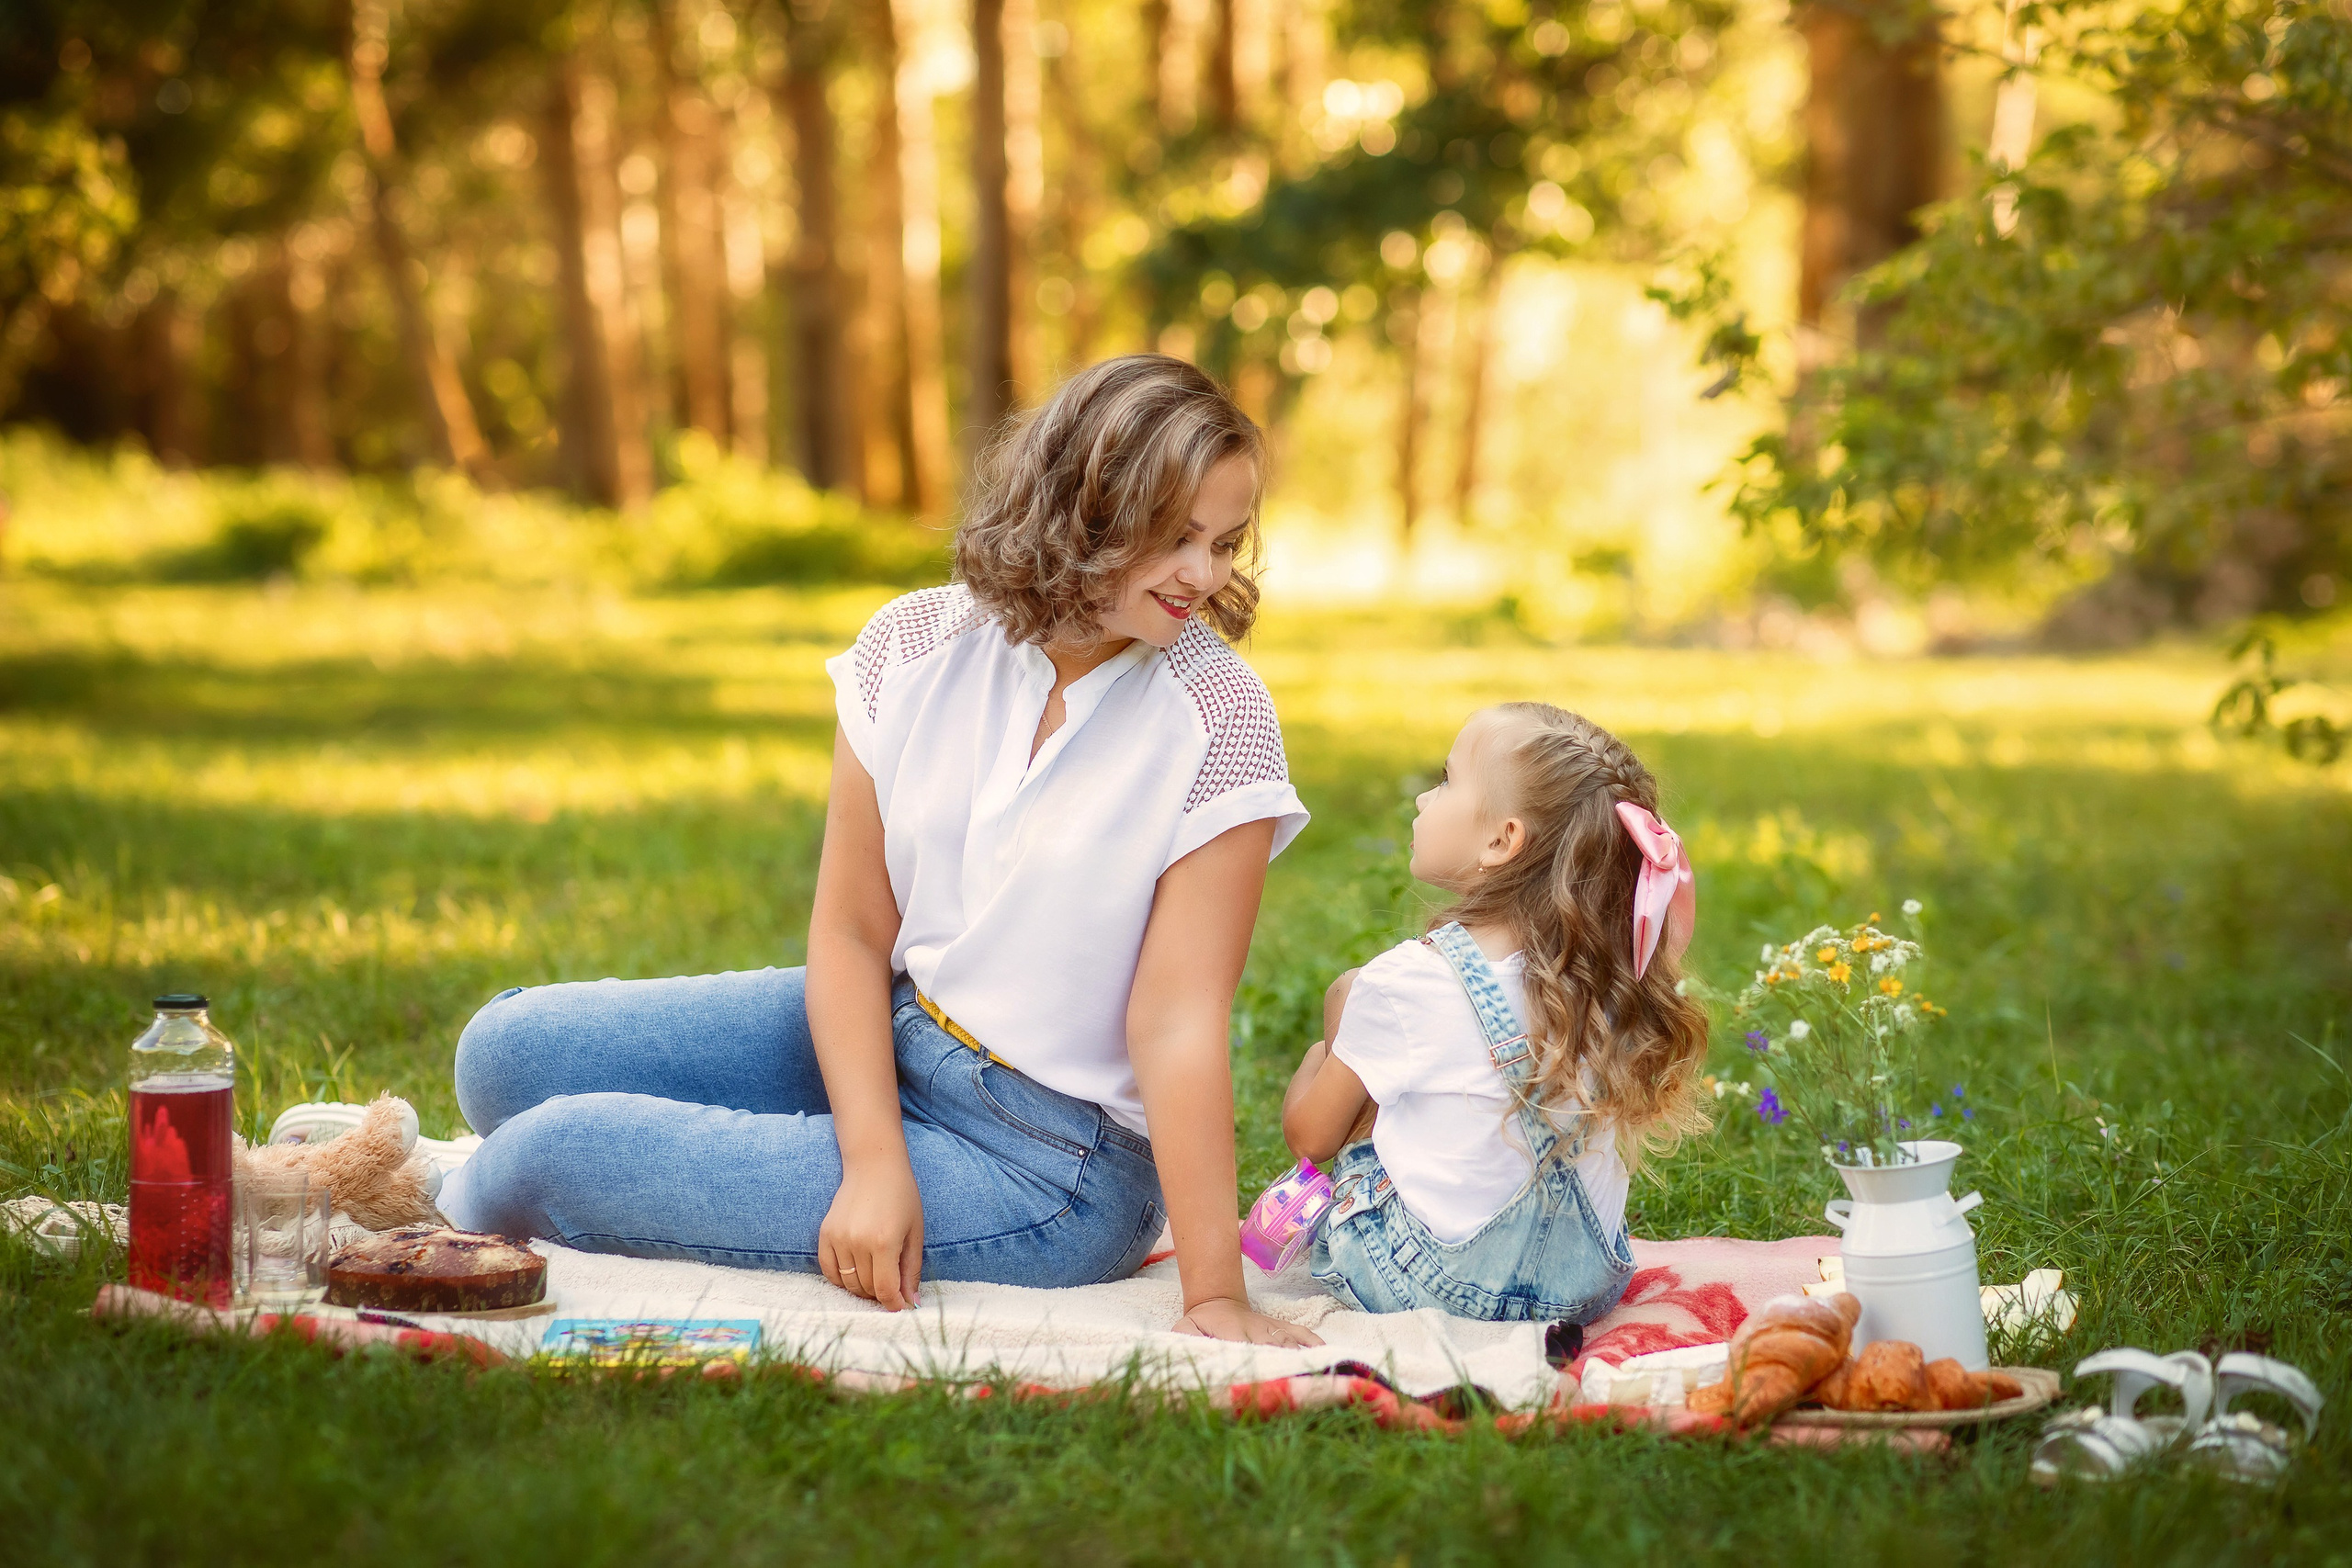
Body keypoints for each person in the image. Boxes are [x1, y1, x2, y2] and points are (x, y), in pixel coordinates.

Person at [432, 355, 1321, 1346]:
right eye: (1177, 539)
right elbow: (853, 932)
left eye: (1225, 542)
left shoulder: (1219, 719)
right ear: (1084, 510)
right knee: (501, 1054)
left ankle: (427, 1185)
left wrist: (1213, 1296)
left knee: (544, 1162)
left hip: (1053, 1167)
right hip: (901, 1027)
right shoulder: (913, 647)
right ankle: (483, 1163)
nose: (1204, 574)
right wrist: (871, 1159)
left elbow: (1179, 1021)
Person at [1279, 703, 1707, 1323]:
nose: (1426, 797)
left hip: (1431, 1285)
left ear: (1503, 839)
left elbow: (1310, 1137)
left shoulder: (1405, 981)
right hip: (1578, 1289)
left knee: (1348, 1006)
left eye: (1448, 779)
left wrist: (1322, 1053)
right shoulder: (1608, 980)